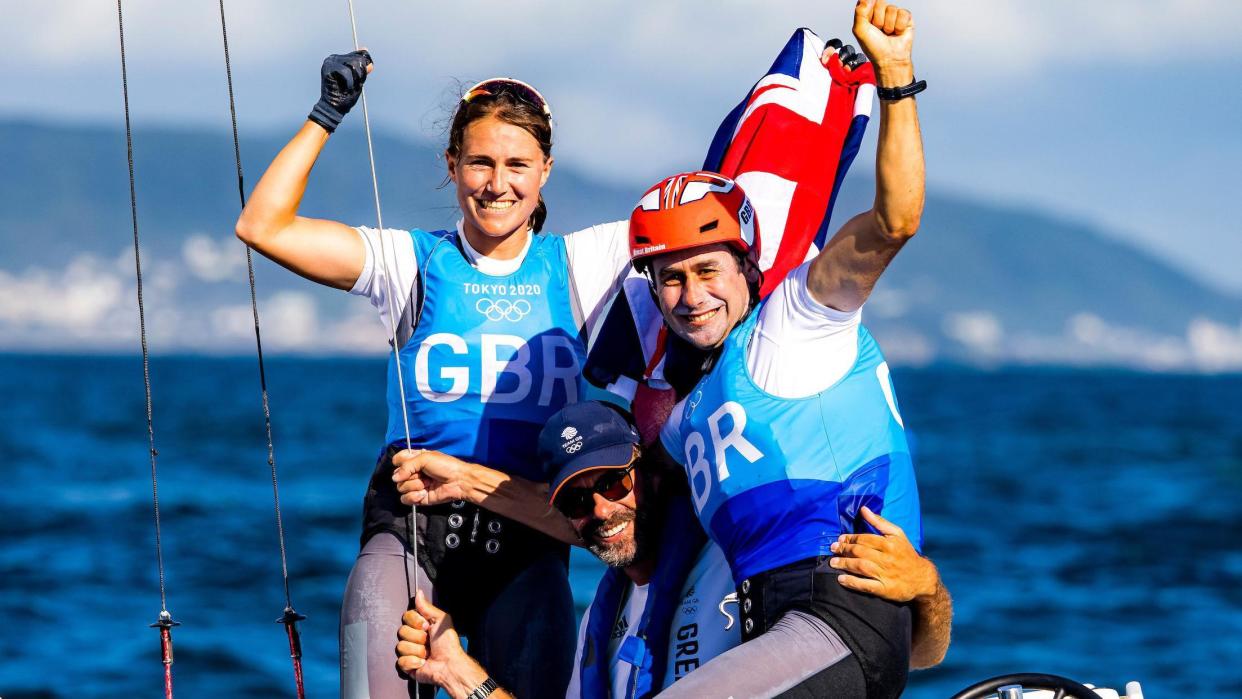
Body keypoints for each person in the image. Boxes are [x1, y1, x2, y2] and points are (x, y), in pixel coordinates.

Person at [234, 51, 634, 697]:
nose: (496, 183)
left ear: (545, 171)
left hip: (528, 543)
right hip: (411, 536)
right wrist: (326, 114)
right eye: (480, 162)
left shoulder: (583, 264)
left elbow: (711, 223)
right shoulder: (411, 263)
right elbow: (262, 224)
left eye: (517, 165)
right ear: (452, 166)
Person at [614, 1, 930, 695]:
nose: (691, 294)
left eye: (708, 271)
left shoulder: (797, 319)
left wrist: (896, 78)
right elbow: (634, 529)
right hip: (777, 636)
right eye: (671, 279)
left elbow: (894, 221)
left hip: (837, 621)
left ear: (748, 270)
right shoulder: (682, 417)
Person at [392, 401, 951, 699]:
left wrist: (925, 587)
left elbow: (918, 653)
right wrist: (458, 672)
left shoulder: (736, 555)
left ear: (651, 474)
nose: (602, 512)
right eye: (578, 502)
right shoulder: (597, 631)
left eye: (614, 483)